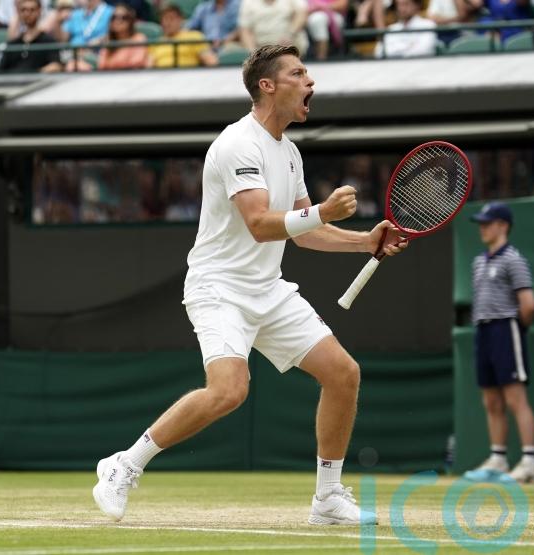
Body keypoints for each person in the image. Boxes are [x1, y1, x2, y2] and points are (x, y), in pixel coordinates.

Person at [92, 44, 407, 525]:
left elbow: (306, 234)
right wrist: (321, 210)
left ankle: (327, 498)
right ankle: (124, 464)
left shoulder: (291, 152)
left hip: (268, 288)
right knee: (228, 391)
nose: (310, 83)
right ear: (268, 86)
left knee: (343, 374)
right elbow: (262, 223)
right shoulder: (237, 143)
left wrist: (363, 241)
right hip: (219, 288)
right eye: (298, 74)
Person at [463, 202, 534, 484]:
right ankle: (498, 459)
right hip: (483, 331)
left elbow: (529, 305)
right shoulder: (478, 261)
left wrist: (514, 330)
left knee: (514, 398)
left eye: (489, 222)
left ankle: (530, 462)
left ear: (503, 226)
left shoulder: (514, 260)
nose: (483, 228)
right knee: (491, 400)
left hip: (506, 329)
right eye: (481, 223)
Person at [0, 0, 62, 72]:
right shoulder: (12, 44)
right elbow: (1, 71)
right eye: (23, 10)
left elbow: (56, 66)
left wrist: (35, 73)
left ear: (39, 11)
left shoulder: (49, 42)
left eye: (32, 10)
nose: (27, 14)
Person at [148, 2, 218, 67]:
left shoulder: (194, 37)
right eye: (164, 19)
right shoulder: (156, 44)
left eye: (171, 18)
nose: (167, 23)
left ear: (180, 19)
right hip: (162, 78)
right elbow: (148, 68)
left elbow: (211, 62)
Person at [238, 0, 309, 55]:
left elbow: (302, 15)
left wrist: (290, 35)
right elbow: (245, 30)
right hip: (262, 51)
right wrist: (253, 52)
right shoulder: (248, 2)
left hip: (291, 45)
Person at [97, 3, 148, 69]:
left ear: (130, 21)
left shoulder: (139, 38)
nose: (117, 21)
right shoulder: (109, 41)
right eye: (114, 17)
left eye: (123, 18)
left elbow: (136, 62)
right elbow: (101, 65)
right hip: (109, 78)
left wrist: (111, 63)